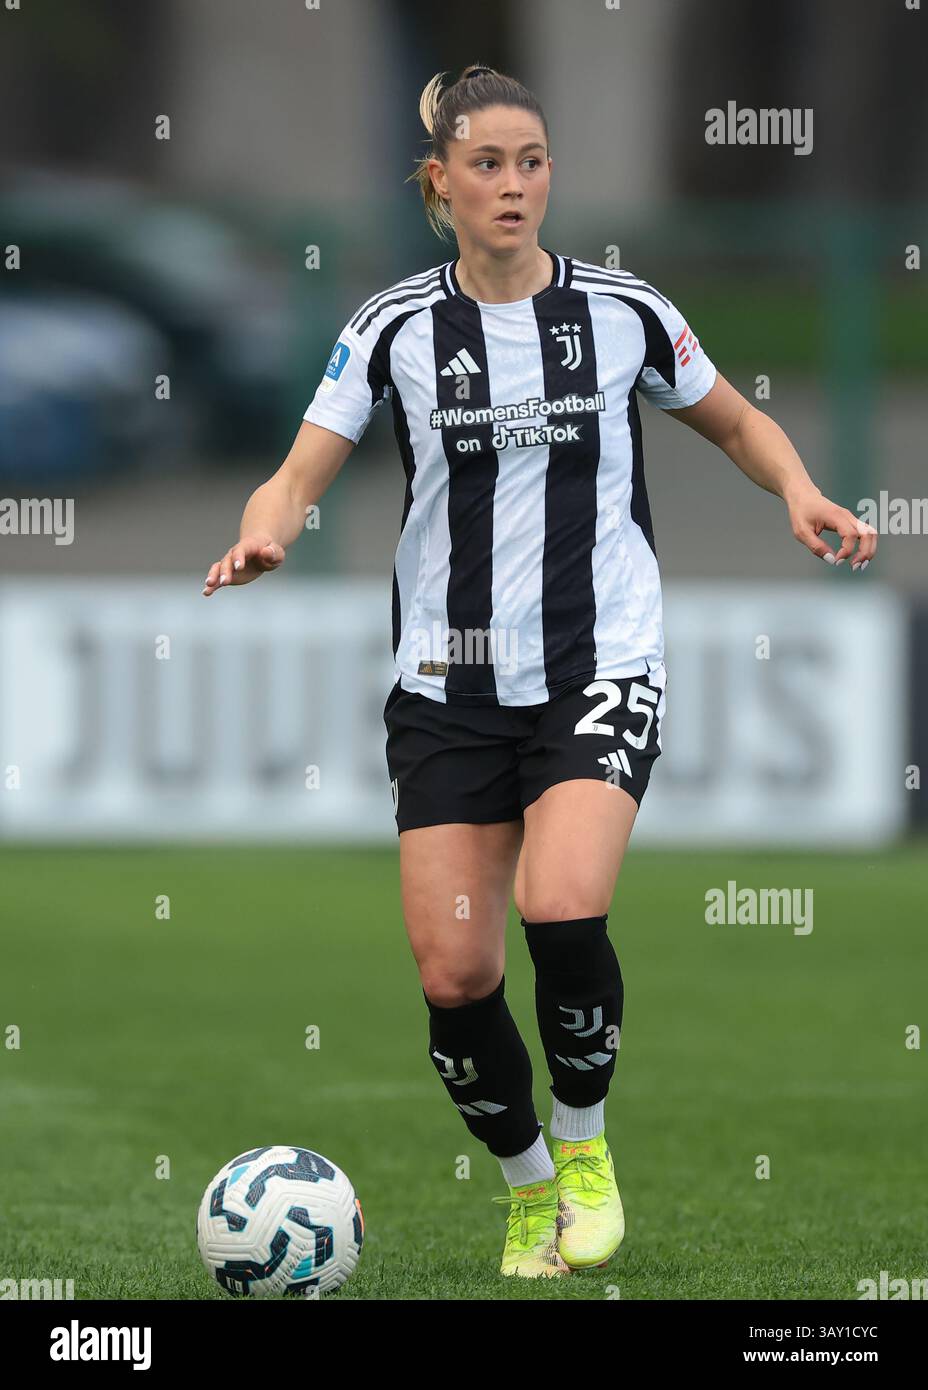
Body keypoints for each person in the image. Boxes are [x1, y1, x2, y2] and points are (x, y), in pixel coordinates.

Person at [203, 64, 877, 1280]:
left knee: (561, 904)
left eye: (532, 162)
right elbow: (298, 472)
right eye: (488, 166)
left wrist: (801, 487)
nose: (513, 186)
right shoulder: (392, 327)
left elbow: (732, 417)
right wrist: (267, 528)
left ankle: (583, 1150)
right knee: (455, 973)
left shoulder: (620, 310)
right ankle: (525, 1189)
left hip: (597, 658)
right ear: (440, 183)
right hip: (447, 681)